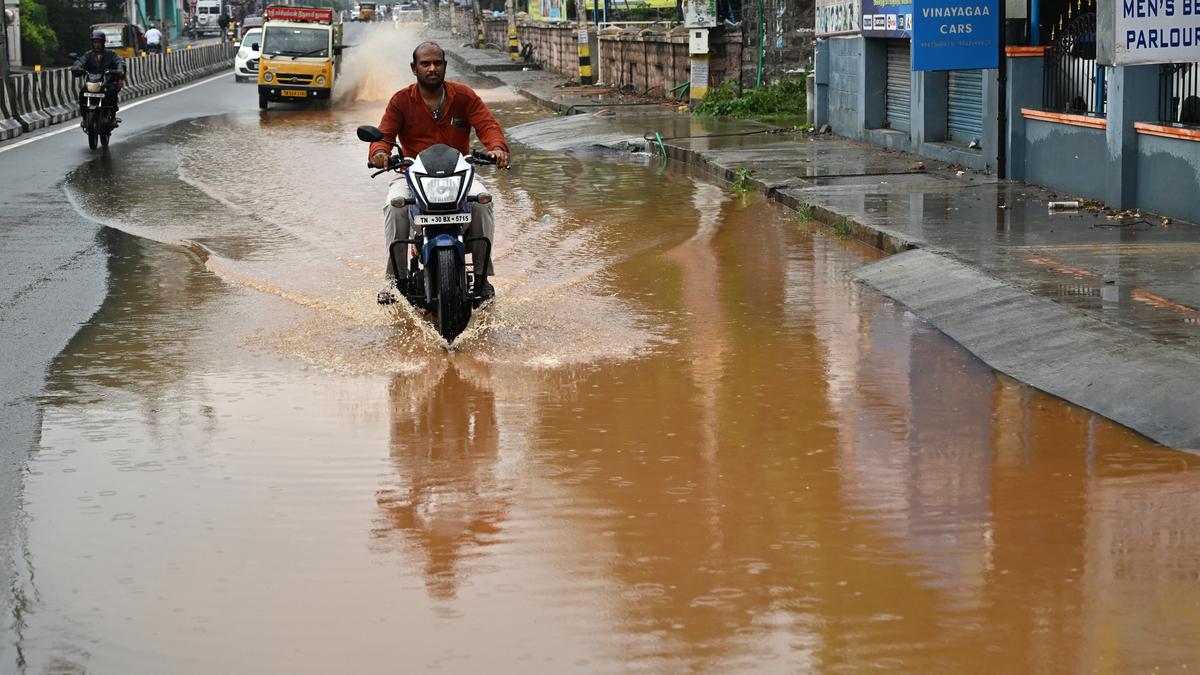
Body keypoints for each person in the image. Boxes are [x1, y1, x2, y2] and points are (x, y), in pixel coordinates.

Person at [369, 41, 511, 304]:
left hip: (460, 175)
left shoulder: (464, 96)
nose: (432, 68)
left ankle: (482, 277)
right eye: (425, 64)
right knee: (394, 205)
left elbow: (487, 125)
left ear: (445, 66)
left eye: (437, 63)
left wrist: (497, 148)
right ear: (414, 68)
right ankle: (395, 279)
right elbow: (384, 135)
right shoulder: (401, 100)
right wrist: (380, 153)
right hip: (412, 175)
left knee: (483, 201)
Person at [72, 30, 125, 126]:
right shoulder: (88, 55)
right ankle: (84, 118)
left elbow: (119, 61)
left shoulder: (111, 54)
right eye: (95, 42)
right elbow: (80, 61)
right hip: (92, 82)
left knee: (112, 91)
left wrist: (120, 68)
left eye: (99, 42)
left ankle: (112, 116)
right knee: (82, 92)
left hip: (106, 82)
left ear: (103, 42)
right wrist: (77, 67)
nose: (97, 45)